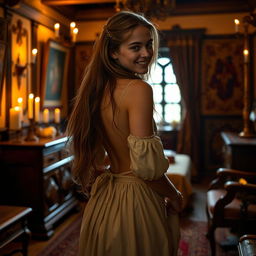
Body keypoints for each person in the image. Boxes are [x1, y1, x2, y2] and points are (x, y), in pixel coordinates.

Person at [67, 10, 183, 256]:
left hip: (106, 199)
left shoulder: (97, 90)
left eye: (149, 44)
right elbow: (147, 168)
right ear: (113, 52)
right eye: (136, 47)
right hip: (136, 198)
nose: (147, 53)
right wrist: (175, 194)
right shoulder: (138, 89)